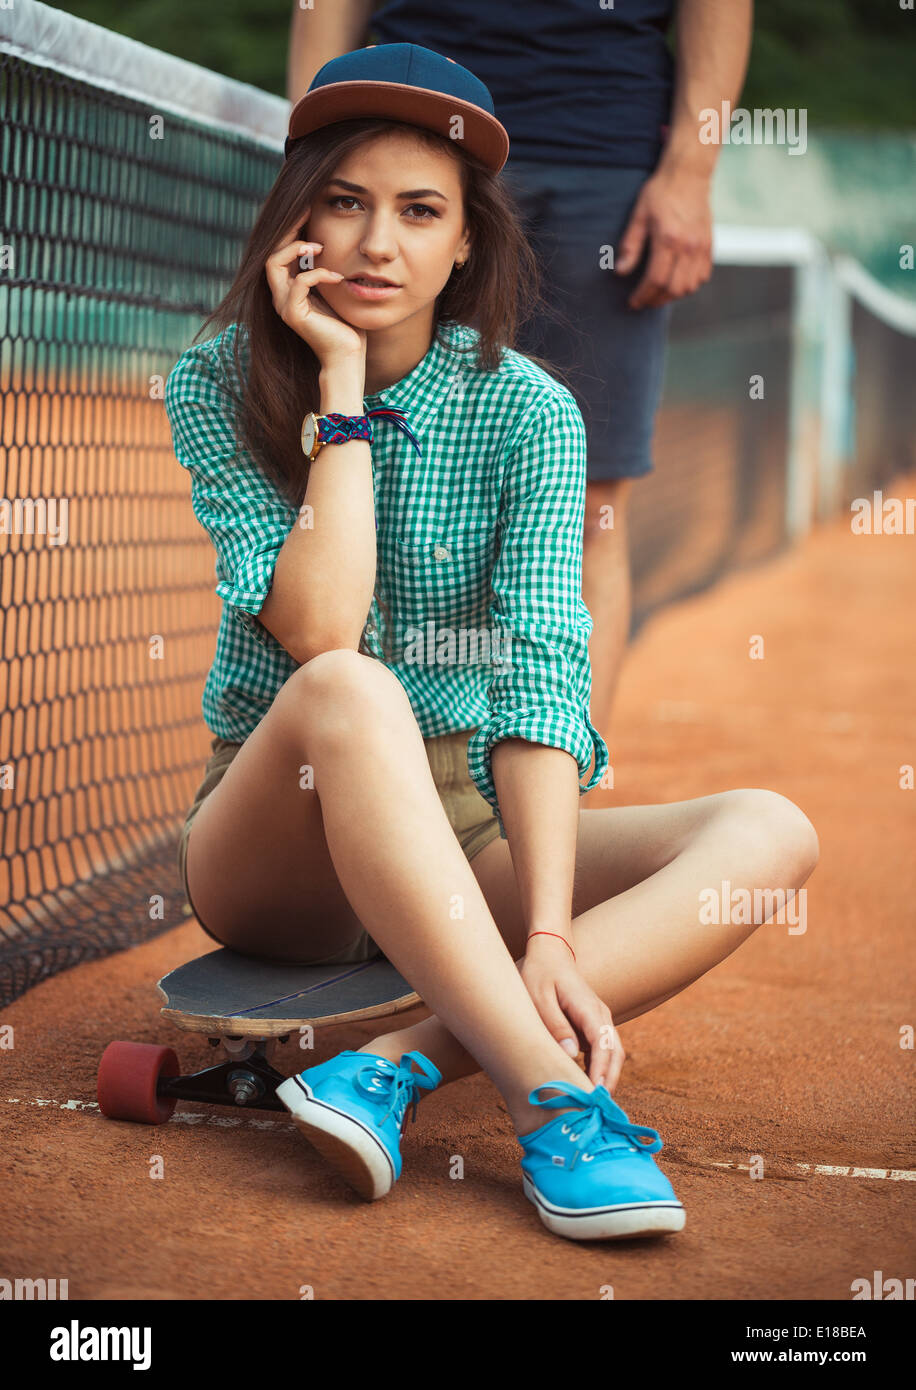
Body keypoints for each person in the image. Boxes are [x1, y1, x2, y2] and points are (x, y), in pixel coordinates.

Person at [165, 45, 817, 1242]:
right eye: (345, 200)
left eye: (420, 212)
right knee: (350, 687)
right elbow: (319, 628)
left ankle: (390, 1068)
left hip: (456, 829)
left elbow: (541, 674)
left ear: (464, 244)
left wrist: (555, 930)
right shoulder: (217, 383)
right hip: (280, 842)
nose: (376, 243)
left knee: (770, 831)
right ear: (296, 214)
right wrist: (342, 389)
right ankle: (549, 1099)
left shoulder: (531, 411)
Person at [286, 0, 754, 774]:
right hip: (404, 140)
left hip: (599, 154)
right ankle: (379, 783)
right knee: (353, 461)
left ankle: (555, 804)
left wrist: (690, 171)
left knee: (593, 509)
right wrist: (312, 167)